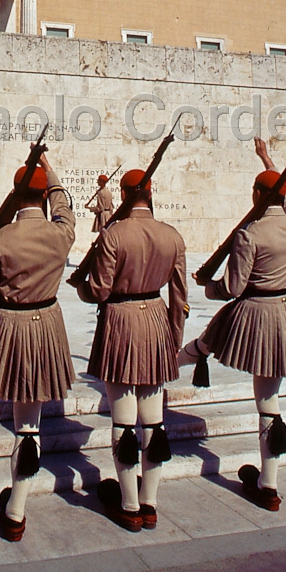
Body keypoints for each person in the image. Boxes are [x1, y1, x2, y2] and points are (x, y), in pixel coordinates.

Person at [179, 137, 286, 512]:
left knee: (206, 344)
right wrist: (268, 159)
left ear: (256, 194)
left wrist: (208, 286)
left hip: (254, 312)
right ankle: (268, 484)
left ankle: (161, 369)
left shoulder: (249, 234)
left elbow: (233, 288)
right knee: (269, 402)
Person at [0, 150, 75, 541]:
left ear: (14, 195)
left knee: (21, 423)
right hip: (46, 329)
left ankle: (14, 511)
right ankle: (17, 507)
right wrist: (49, 168)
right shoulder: (62, 233)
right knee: (31, 424)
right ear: (43, 197)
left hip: (10, 328)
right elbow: (63, 202)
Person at [82, 169, 187, 532]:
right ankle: (151, 503)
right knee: (154, 421)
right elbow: (180, 298)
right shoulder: (172, 235)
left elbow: (99, 289)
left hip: (121, 321)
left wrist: (83, 290)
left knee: (124, 419)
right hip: (157, 320)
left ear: (124, 193)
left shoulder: (114, 234)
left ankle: (129, 505)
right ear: (151, 192)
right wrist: (174, 339)